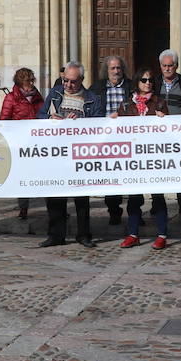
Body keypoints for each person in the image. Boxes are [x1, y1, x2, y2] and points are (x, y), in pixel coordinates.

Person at [40, 61, 106, 248]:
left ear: (82, 80)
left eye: (73, 82)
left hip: (80, 154)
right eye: (65, 80)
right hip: (56, 152)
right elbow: (39, 116)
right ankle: (56, 235)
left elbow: (98, 124)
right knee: (54, 196)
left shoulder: (92, 98)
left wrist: (81, 122)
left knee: (81, 197)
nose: (68, 85)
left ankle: (84, 234)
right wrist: (49, 118)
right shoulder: (55, 94)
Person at [111, 67, 170, 250]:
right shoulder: (127, 105)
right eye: (144, 80)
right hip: (134, 159)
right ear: (137, 82)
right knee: (134, 198)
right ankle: (133, 234)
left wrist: (164, 119)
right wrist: (111, 121)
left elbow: (169, 130)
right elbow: (117, 131)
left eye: (150, 80)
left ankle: (161, 235)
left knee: (158, 197)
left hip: (154, 157)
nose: (147, 83)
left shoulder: (159, 103)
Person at [152, 49, 181, 218]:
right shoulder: (154, 83)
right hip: (157, 138)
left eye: (170, 66)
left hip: (180, 138)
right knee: (157, 171)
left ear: (176, 66)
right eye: (164, 66)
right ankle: (156, 205)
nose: (167, 69)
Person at [90, 55, 132, 225]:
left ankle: (134, 213)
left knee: (131, 177)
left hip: (128, 137)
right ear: (106, 71)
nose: (116, 71)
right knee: (111, 177)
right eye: (112, 68)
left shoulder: (131, 86)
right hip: (106, 139)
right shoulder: (96, 88)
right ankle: (114, 211)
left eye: (118, 68)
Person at [0, 66, 42, 219]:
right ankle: (23, 208)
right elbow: (4, 120)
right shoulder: (11, 98)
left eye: (32, 80)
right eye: (28, 81)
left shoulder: (37, 96)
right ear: (20, 82)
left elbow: (42, 114)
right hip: (20, 144)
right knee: (23, 177)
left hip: (36, 143)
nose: (31, 83)